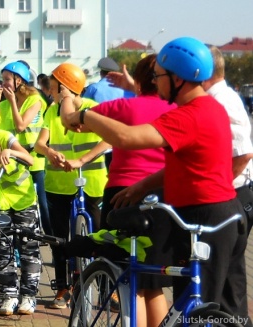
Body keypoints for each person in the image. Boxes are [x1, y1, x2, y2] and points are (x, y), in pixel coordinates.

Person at [60, 36, 251, 326]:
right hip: (225, 215)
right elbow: (191, 166)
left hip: (203, 216)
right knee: (223, 309)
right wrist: (144, 185)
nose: (157, 83)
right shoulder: (210, 108)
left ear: (177, 79)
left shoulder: (188, 115)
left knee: (199, 314)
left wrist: (86, 115)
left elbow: (127, 138)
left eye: (159, 76)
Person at [88, 54, 176, 327]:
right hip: (164, 195)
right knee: (154, 282)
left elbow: (82, 119)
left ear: (137, 81)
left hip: (122, 194)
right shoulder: (176, 110)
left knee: (130, 279)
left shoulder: (123, 105)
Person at [34, 62, 108, 309]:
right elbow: (39, 144)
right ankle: (63, 287)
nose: (51, 92)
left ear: (64, 88)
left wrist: (83, 159)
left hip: (92, 184)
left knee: (100, 238)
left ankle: (107, 289)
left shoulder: (93, 109)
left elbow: (107, 140)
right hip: (58, 184)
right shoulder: (51, 111)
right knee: (59, 240)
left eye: (54, 87)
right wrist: (49, 152)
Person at [202, 46, 253, 235]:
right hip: (231, 194)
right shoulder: (218, 97)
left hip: (233, 195)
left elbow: (243, 153)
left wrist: (218, 190)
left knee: (225, 263)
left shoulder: (221, 101)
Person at [0, 61, 51, 238]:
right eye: (2, 79)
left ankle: (48, 238)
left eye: (7, 79)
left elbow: (20, 126)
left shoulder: (35, 100)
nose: (3, 83)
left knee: (42, 205)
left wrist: (12, 101)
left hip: (33, 161)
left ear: (18, 81)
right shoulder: (2, 105)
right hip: (11, 164)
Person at [0, 129, 41, 316]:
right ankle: (9, 296)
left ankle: (29, 296)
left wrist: (9, 152)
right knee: (2, 250)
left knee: (29, 249)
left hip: (24, 201)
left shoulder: (4, 136)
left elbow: (30, 160)